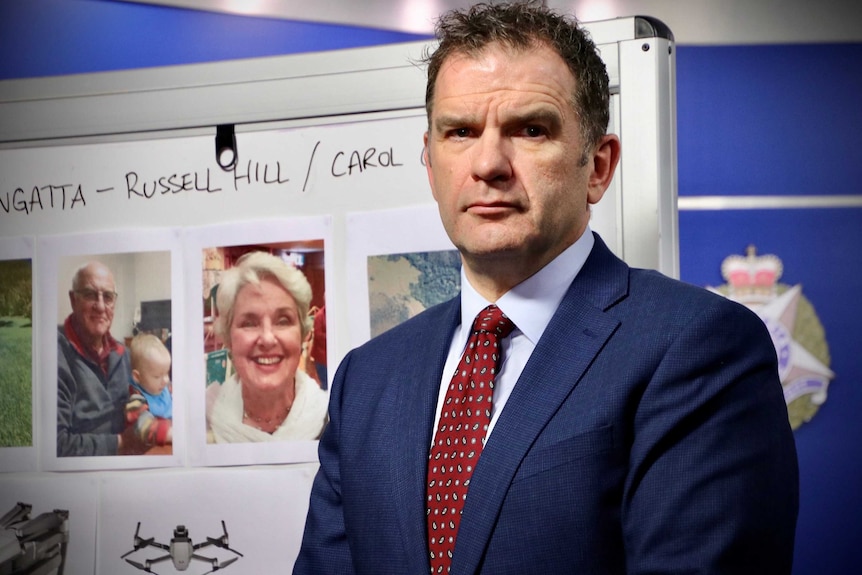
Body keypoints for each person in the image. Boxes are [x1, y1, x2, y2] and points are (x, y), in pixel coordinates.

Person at [294, 2, 799, 574]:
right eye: (459, 132)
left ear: (599, 166)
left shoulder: (699, 348)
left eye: (530, 129)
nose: (488, 163)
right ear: (431, 164)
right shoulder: (368, 378)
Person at [206, 251, 328, 443]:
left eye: (283, 320)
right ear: (228, 338)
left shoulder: (333, 421)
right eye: (249, 323)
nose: (267, 338)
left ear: (302, 334)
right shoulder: (203, 421)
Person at [57, 261, 146, 456]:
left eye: (107, 297)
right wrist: (121, 442)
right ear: (73, 300)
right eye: (90, 294)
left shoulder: (124, 355)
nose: (100, 306)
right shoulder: (54, 355)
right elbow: (57, 445)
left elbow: (148, 397)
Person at [125, 333, 173, 448]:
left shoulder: (165, 388)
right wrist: (175, 434)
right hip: (151, 450)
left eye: (167, 373)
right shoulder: (135, 399)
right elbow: (144, 427)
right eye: (157, 376)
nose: (165, 380)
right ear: (137, 377)